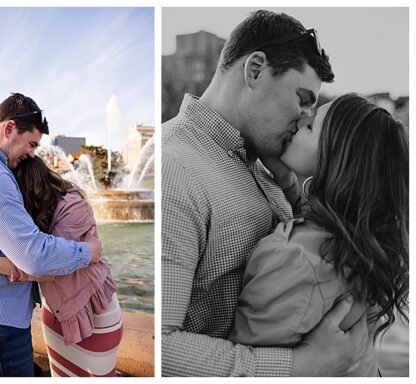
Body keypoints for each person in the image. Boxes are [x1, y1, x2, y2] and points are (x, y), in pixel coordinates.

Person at [161, 10, 369, 376]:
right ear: (255, 69)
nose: (306, 116)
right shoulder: (175, 169)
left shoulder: (265, 162)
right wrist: (301, 364)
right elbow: (160, 347)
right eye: (303, 98)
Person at [229, 94, 409, 376]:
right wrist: (288, 183)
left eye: (311, 126)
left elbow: (247, 363)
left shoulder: (293, 255)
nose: (299, 120)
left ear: (336, 159)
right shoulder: (367, 243)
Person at [0, 93, 101, 377]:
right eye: (32, 143)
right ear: (9, 128)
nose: (32, 153)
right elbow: (34, 256)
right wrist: (88, 252)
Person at [0, 156, 120, 376]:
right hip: (58, 312)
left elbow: (49, 265)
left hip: (94, 312)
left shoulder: (73, 207)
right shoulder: (34, 216)